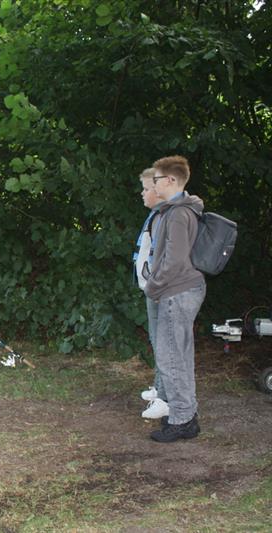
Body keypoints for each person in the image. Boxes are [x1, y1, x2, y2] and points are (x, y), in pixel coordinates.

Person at [144, 155, 206, 443]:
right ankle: (187, 415)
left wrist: (154, 286)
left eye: (156, 179)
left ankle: (181, 420)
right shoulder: (179, 210)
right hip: (181, 289)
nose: (153, 184)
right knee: (179, 356)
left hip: (176, 291)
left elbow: (175, 260)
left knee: (171, 358)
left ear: (170, 180)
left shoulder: (179, 214)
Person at [134, 168, 168, 420]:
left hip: (159, 289)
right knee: (157, 341)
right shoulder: (154, 216)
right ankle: (159, 386)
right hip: (151, 287)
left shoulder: (165, 218)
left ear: (159, 191)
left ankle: (165, 398)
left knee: (163, 343)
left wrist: (155, 285)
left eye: (146, 189)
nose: (143, 193)